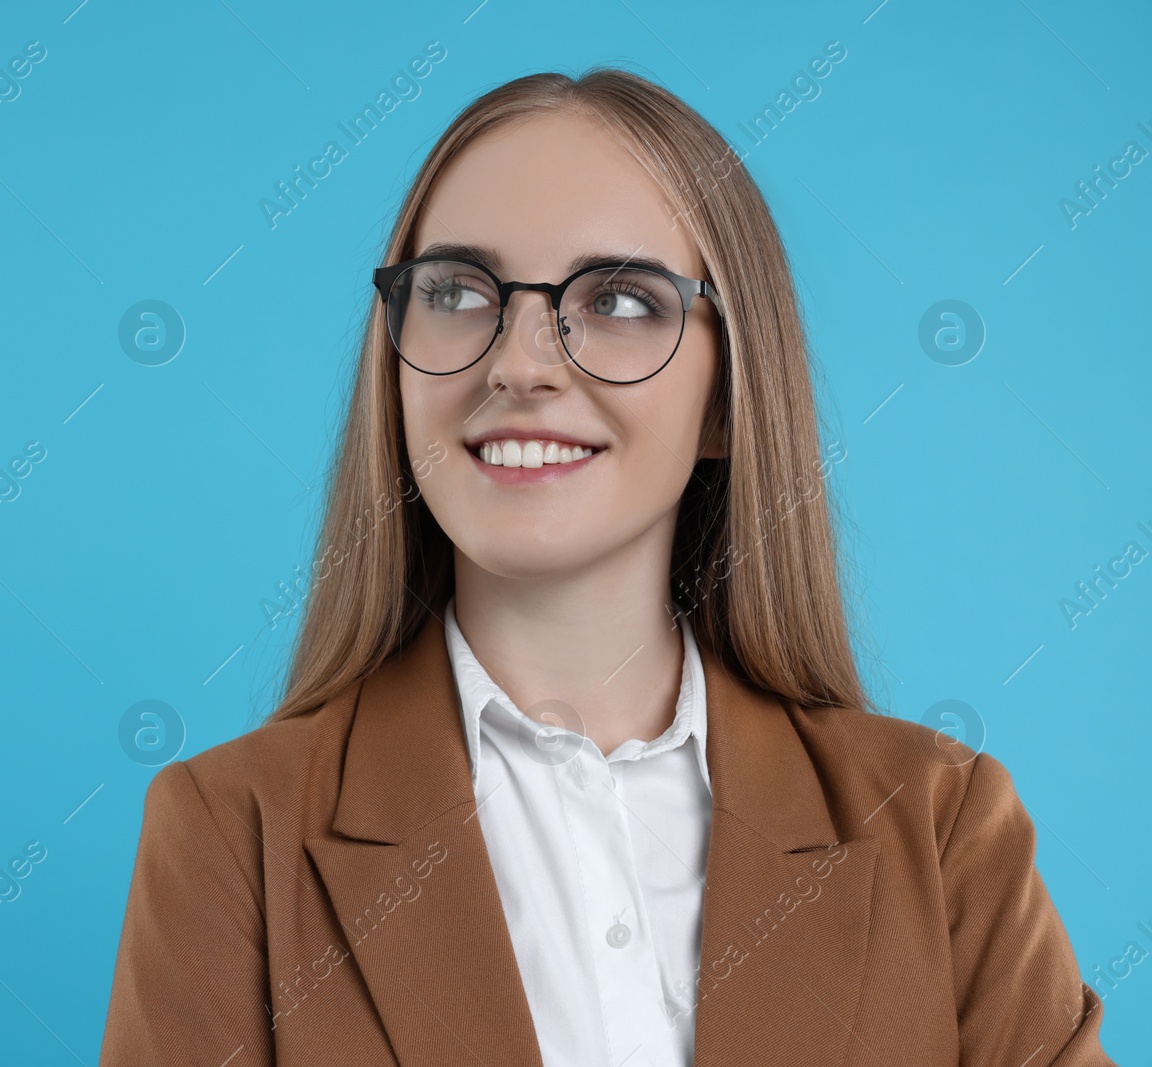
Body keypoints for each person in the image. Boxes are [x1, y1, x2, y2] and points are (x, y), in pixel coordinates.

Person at [100, 67, 1117, 1066]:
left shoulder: (940, 829)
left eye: (620, 299)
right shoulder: (230, 833)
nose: (520, 361)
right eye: (456, 290)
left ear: (727, 396)